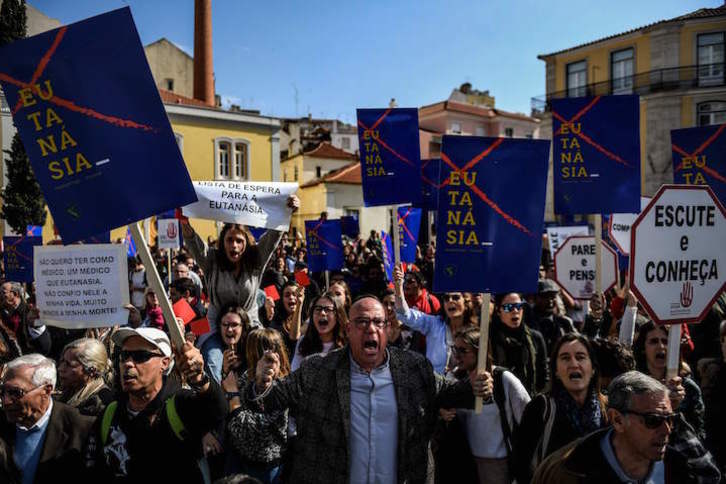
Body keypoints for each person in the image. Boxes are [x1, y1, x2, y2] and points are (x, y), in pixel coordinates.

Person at [244, 295, 494, 483]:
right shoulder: (318, 370)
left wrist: (476, 386)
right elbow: (267, 400)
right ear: (349, 329)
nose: (370, 329)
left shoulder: (414, 368)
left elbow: (453, 393)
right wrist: (262, 382)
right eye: (362, 322)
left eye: (377, 322)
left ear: (386, 330)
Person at [84, 327, 227, 482]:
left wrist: (199, 378)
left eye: (140, 356)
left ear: (164, 363)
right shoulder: (110, 414)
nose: (128, 364)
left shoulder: (179, 405)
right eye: (124, 356)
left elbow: (218, 410)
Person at [533, 371, 721, 484]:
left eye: (671, 419)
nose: (667, 430)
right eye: (653, 420)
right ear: (617, 420)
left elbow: (711, 477)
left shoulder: (681, 468)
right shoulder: (567, 472)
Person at [181, 195, 299, 334]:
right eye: (229, 240)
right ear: (222, 243)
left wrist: (287, 212)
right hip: (216, 329)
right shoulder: (212, 260)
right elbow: (194, 244)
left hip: (250, 327)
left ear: (246, 243)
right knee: (213, 356)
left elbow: (272, 238)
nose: (234, 245)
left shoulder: (256, 260)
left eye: (239, 241)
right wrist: (184, 222)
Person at [514, 333, 608, 484]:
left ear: (593, 369)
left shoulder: (607, 409)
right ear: (556, 371)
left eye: (580, 357)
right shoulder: (541, 407)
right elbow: (521, 463)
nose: (573, 364)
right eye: (565, 358)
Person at [443, 326, 531, 484]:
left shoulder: (504, 380)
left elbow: (529, 418)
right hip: (467, 465)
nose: (457, 356)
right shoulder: (455, 384)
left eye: (463, 350)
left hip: (499, 465)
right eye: (454, 349)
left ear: (480, 351)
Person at [0, 354, 94, 484]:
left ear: (46, 390)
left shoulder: (81, 428)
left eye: (15, 393)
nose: (6, 401)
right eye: (3, 392)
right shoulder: (3, 422)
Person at [222, 328, 291, 482]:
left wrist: (233, 394)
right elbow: (226, 405)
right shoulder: (248, 376)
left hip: (265, 469)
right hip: (239, 458)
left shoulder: (281, 389)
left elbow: (248, 429)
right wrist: (225, 372)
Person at [393, 264, 477, 373]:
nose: (450, 301)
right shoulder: (433, 324)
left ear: (466, 303)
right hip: (434, 386)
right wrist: (398, 286)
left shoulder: (474, 332)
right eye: (446, 298)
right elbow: (404, 313)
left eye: (456, 297)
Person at [633, 321, 706, 442]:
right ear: (643, 348)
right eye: (654, 341)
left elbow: (699, 435)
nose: (661, 346)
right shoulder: (634, 386)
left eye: (665, 342)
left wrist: (675, 411)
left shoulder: (688, 388)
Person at [490, 292, 548, 396]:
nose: (515, 311)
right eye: (509, 307)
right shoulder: (490, 339)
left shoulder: (536, 338)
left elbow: (543, 374)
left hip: (531, 401)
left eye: (519, 306)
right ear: (498, 311)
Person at [57, 338, 114, 417]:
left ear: (92, 371)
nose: (60, 368)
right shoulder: (67, 391)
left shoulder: (100, 403)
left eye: (69, 364)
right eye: (62, 361)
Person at [290, 293, 347, 371]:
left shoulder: (348, 343)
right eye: (318, 309)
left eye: (328, 309)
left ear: (338, 315)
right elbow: (295, 373)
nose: (322, 313)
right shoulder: (304, 342)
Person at [203, 305, 253, 384]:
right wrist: (225, 371)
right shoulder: (214, 356)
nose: (229, 330)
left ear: (243, 327)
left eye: (234, 325)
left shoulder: (250, 352)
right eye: (225, 324)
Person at [0, 281, 51, 355]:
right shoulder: (3, 315)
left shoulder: (31, 312)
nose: (1, 295)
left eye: (3, 292)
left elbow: (44, 345)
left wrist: (35, 326)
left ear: (15, 294)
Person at [529, 279, 576, 351]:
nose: (550, 301)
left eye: (553, 297)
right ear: (535, 299)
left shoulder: (564, 323)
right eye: (545, 297)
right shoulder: (526, 322)